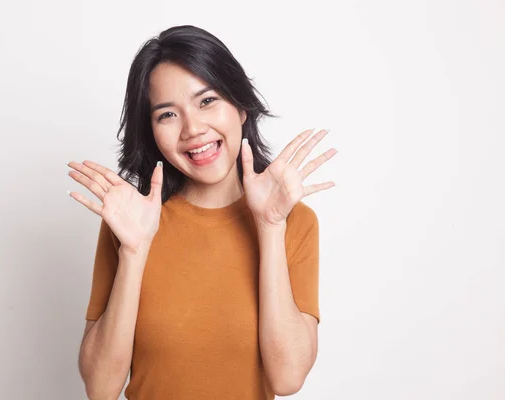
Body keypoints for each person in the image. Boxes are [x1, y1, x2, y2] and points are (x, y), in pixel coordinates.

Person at [67, 25, 337, 400]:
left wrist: (270, 225)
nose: (193, 128)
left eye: (207, 101)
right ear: (152, 131)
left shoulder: (295, 221)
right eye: (167, 115)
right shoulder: (130, 222)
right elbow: (101, 388)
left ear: (241, 106)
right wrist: (133, 251)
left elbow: (287, 378)